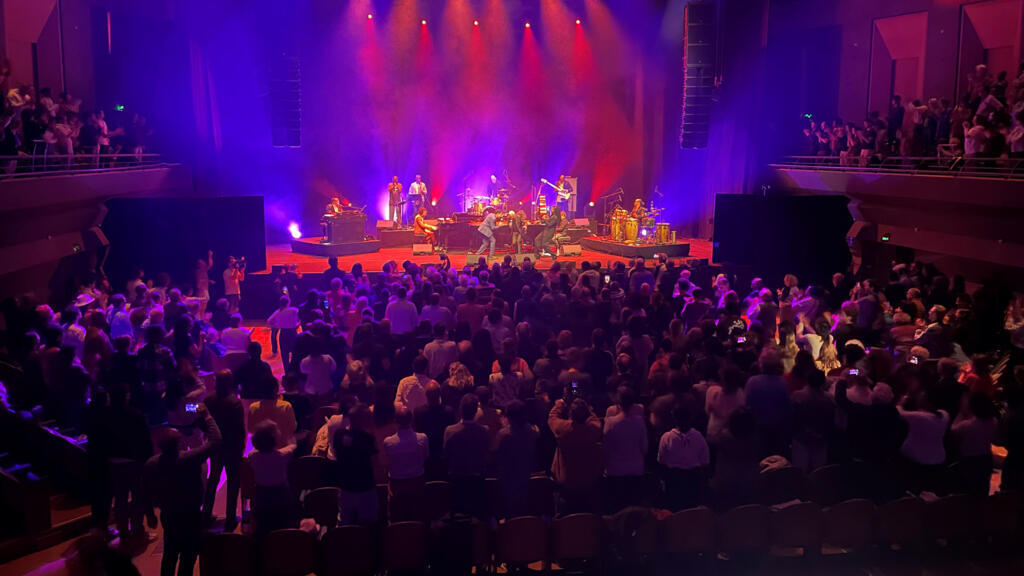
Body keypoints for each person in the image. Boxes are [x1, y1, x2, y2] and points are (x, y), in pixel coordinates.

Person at [145, 405, 222, 576]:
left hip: (168, 514)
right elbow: (216, 441)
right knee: (189, 554)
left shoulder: (151, 463)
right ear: (179, 443)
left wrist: (149, 513)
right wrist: (208, 416)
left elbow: (145, 492)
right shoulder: (189, 458)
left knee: (170, 553)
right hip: (191, 513)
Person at [203, 370, 245, 531]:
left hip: (215, 447)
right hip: (232, 447)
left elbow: (199, 418)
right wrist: (241, 448)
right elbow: (240, 429)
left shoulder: (208, 400)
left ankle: (206, 515)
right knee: (233, 483)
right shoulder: (234, 402)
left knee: (213, 480)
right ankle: (230, 518)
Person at [548, 396, 603, 513]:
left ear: (571, 415)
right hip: (587, 478)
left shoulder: (563, 429)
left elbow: (552, 418)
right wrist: (586, 407)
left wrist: (560, 404)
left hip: (567, 479)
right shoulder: (593, 429)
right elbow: (595, 420)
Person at [443, 394, 490, 516]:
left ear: (460, 410)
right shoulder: (484, 430)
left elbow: (446, 454)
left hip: (456, 480)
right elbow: (486, 453)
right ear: (476, 411)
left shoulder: (450, 430)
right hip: (477, 480)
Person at [332, 405, 379, 524]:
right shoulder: (368, 438)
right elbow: (375, 462)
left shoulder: (339, 434)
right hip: (365, 485)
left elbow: (336, 454)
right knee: (369, 522)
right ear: (364, 421)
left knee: (345, 522)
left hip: (346, 484)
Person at [658, 405, 709, 511]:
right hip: (693, 477)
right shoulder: (698, 436)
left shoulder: (667, 437)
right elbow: (705, 460)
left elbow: (662, 460)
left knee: (675, 510)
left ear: (674, 419)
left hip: (675, 478)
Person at [249, 421, 297, 534]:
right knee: (282, 524)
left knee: (263, 526)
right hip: (281, 494)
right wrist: (290, 437)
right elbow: (293, 446)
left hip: (261, 494)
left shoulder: (252, 456)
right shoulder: (282, 455)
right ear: (273, 439)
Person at [382, 405, 429, 521]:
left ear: (395, 421)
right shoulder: (422, 438)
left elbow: (386, 464)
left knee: (398, 519)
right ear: (411, 420)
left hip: (397, 486)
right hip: (417, 483)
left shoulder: (388, 442)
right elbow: (425, 457)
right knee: (418, 518)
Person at [496, 400, 539, 518]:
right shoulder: (532, 431)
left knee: (511, 511)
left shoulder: (504, 434)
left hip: (508, 477)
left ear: (510, 417)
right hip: (526, 473)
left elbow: (495, 453)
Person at [267, 295, 300, 369]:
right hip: (293, 333)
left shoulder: (278, 312)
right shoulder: (294, 310)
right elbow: (299, 318)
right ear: (288, 302)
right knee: (295, 353)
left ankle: (287, 372)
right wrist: (298, 324)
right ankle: (294, 370)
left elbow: (269, 321)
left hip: (283, 333)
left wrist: (277, 325)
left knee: (285, 356)